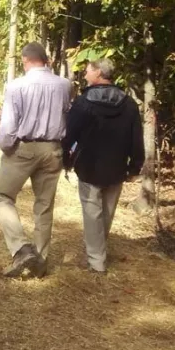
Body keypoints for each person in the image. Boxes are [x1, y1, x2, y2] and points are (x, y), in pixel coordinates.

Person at [0, 42, 72, 278]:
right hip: (53, 149)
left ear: (25, 60)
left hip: (24, 148)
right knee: (44, 205)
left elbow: (8, 128)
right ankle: (41, 260)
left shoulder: (16, 86)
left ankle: (21, 248)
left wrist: (7, 147)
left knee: (3, 195)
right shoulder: (65, 85)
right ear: (46, 60)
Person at [62, 59, 143, 273]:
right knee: (106, 212)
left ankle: (96, 261)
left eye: (88, 71)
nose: (85, 74)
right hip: (117, 168)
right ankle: (98, 253)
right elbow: (137, 138)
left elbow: (69, 134)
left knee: (93, 214)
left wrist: (65, 160)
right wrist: (135, 166)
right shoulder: (129, 104)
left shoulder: (83, 102)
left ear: (98, 73)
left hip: (89, 166)